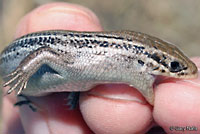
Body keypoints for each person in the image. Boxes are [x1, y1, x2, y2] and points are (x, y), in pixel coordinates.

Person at [2, 2, 200, 134]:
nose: (182, 73)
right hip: (14, 61)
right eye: (174, 66)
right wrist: (22, 73)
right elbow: (45, 53)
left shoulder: (97, 71)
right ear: (146, 60)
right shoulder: (77, 58)